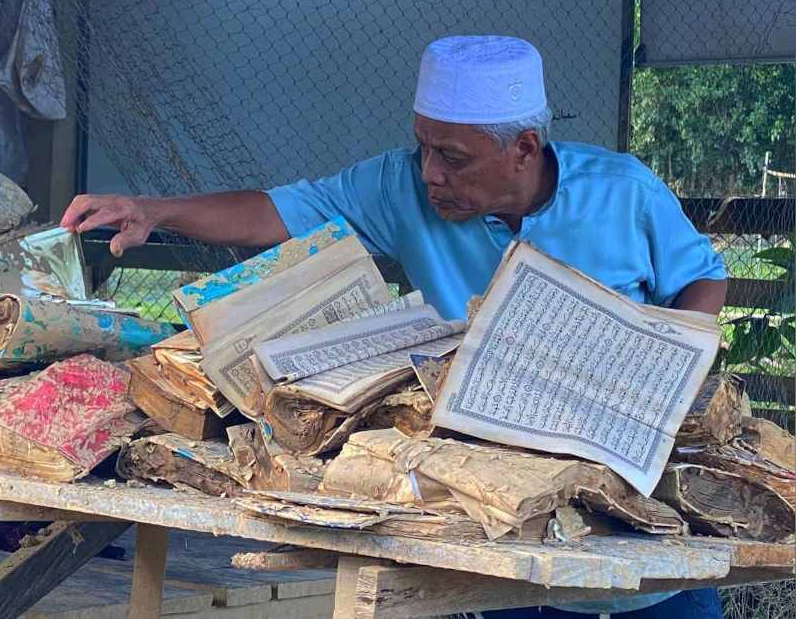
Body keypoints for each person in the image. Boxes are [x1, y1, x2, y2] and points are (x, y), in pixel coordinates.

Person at [62, 35, 727, 618]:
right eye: (423, 147)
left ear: (524, 148)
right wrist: (154, 210)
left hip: (635, 520)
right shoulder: (400, 186)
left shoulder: (624, 191)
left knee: (654, 590)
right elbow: (277, 213)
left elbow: (703, 277)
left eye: (453, 157)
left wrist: (662, 364)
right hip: (494, 510)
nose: (430, 174)